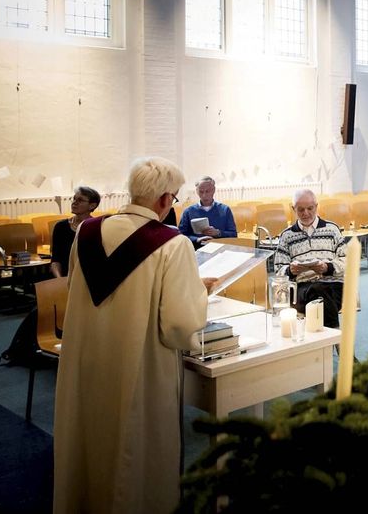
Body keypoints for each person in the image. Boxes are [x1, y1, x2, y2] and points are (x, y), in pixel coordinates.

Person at [53, 157, 215, 514]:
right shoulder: (173, 244)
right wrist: (199, 292)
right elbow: (179, 324)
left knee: (90, 444)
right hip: (138, 365)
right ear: (163, 200)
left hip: (87, 358)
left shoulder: (87, 232)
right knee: (133, 453)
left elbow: (76, 286)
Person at [272, 189, 348, 329]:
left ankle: (327, 343)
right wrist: (290, 270)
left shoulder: (332, 229)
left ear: (316, 206)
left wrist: (328, 267)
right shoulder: (287, 235)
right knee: (318, 292)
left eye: (310, 208)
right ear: (293, 209)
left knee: (321, 296)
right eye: (300, 209)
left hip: (333, 285)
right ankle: (338, 341)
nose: (305, 213)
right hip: (302, 289)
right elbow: (278, 270)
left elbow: (347, 261)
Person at [49, 185, 100, 278]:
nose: (74, 203)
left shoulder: (97, 226)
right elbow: (55, 260)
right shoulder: (60, 226)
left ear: (92, 205)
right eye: (74, 199)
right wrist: (60, 280)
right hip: (65, 277)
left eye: (80, 200)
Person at [178, 175, 237, 246]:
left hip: (219, 247)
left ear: (214, 190)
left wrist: (218, 233)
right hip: (197, 247)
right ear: (196, 191)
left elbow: (234, 235)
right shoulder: (188, 211)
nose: (204, 195)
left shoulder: (225, 210)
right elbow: (181, 236)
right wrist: (197, 239)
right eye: (201, 192)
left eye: (207, 191)